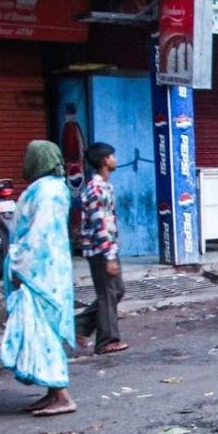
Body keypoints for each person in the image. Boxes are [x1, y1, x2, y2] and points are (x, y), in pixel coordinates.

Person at [0, 141, 77, 417]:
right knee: (45, 331)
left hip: (40, 273)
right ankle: (51, 393)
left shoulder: (45, 191)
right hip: (53, 271)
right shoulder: (56, 188)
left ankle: (62, 395)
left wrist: (20, 267)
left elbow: (38, 236)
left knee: (43, 332)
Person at [76, 142, 127, 355]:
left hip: (107, 247)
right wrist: (109, 256)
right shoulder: (96, 189)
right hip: (99, 250)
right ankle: (106, 341)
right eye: (112, 156)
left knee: (117, 290)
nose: (115, 159)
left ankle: (79, 326)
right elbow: (100, 225)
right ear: (105, 160)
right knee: (107, 293)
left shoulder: (105, 186)